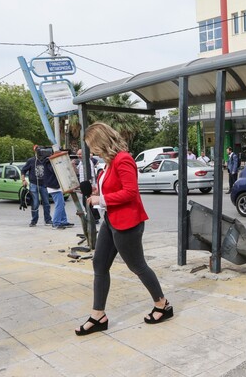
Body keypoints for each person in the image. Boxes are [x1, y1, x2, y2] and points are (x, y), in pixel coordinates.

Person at [75, 122, 173, 336]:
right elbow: (113, 188)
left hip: (128, 222)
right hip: (111, 220)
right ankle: (98, 315)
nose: (91, 150)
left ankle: (162, 305)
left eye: (92, 145)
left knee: (137, 266)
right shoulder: (109, 163)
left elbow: (130, 192)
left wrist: (101, 198)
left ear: (101, 141)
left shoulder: (124, 159)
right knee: (99, 264)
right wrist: (95, 191)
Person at [21, 145, 52, 227]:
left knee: (46, 203)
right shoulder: (31, 161)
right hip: (34, 184)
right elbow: (23, 170)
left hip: (44, 184)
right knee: (35, 203)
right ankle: (34, 221)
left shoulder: (46, 160)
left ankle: (48, 220)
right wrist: (23, 180)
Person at [43, 156, 73, 230]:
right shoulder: (49, 162)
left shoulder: (49, 161)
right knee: (59, 205)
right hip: (53, 187)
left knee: (61, 204)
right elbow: (54, 170)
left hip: (55, 186)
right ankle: (56, 223)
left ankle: (63, 221)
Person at [77, 149, 100, 223]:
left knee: (88, 202)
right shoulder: (81, 163)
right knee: (86, 202)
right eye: (78, 154)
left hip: (88, 185)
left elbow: (91, 175)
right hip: (83, 185)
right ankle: (93, 216)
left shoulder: (88, 162)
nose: (79, 156)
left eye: (80, 154)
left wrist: (92, 185)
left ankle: (94, 217)